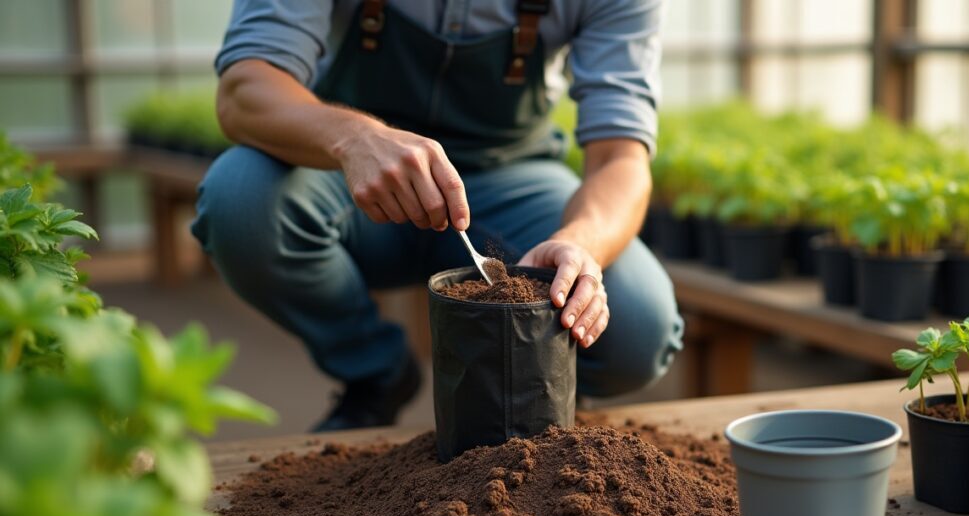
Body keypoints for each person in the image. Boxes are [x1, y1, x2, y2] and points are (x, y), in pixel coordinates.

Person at [193, 0, 684, 432]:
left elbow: (621, 157)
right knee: (240, 199)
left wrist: (582, 242)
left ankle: (538, 383)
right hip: (345, 171)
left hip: (507, 175)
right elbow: (243, 90)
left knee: (637, 320)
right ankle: (375, 371)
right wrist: (353, 138)